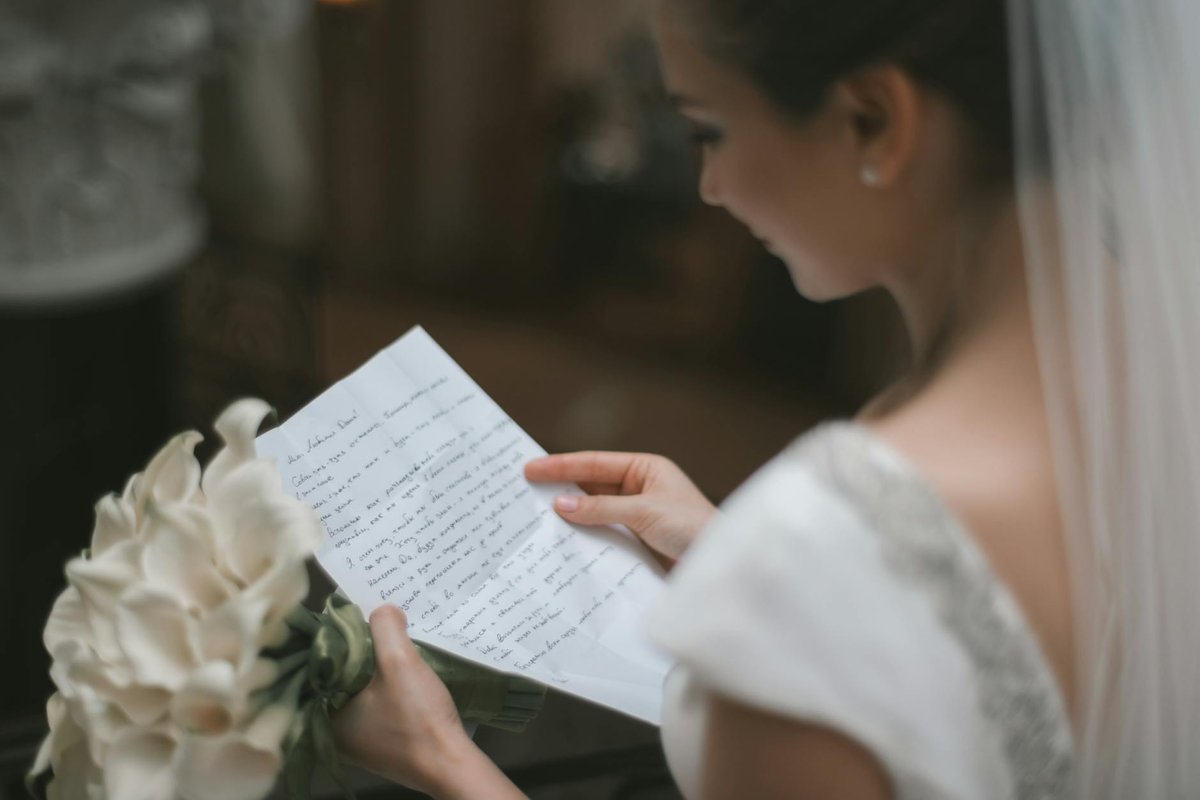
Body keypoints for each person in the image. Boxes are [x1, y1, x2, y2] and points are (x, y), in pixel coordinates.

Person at [332, 0, 1200, 797]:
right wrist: (738, 555)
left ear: (873, 120)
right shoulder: (1163, 338)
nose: (708, 187)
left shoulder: (810, 552)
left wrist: (440, 759)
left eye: (709, 130)